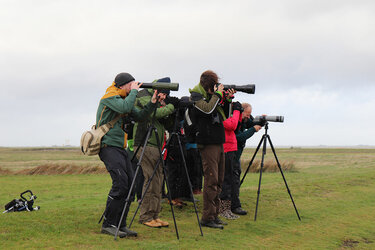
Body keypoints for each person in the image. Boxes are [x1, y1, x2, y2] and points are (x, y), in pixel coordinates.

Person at [97, 72, 158, 238]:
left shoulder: (123, 99)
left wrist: (152, 103)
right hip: (108, 146)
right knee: (120, 184)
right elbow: (124, 108)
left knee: (130, 186)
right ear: (123, 85)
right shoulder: (109, 97)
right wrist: (134, 93)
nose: (133, 88)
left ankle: (120, 224)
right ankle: (108, 224)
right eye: (130, 85)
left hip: (120, 147)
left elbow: (139, 116)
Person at [133, 77, 177, 228]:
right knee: (150, 181)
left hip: (156, 144)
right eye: (163, 94)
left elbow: (165, 120)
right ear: (157, 90)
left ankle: (154, 215)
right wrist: (170, 107)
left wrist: (171, 109)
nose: (164, 97)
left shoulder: (157, 98)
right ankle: (145, 216)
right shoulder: (143, 95)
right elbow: (154, 113)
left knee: (158, 181)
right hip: (145, 143)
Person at [189, 70, 226, 229]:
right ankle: (207, 217)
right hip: (208, 144)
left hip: (218, 142)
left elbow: (226, 116)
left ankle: (215, 214)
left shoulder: (212, 97)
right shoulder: (196, 96)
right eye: (213, 86)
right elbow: (207, 109)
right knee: (211, 180)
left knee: (218, 181)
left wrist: (226, 99)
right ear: (208, 85)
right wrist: (217, 95)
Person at [231, 103, 262, 215]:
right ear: (241, 111)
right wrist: (253, 129)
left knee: (235, 178)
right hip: (231, 154)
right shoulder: (235, 120)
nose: (248, 117)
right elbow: (239, 137)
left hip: (236, 155)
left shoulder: (244, 119)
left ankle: (232, 203)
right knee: (233, 180)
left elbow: (252, 123)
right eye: (247, 115)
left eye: (250, 115)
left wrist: (262, 120)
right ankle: (234, 206)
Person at [219, 100, 243, 220]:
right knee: (226, 180)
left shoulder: (226, 112)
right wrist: (237, 110)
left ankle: (227, 209)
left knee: (229, 179)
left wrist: (237, 112)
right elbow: (231, 125)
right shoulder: (219, 111)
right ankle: (224, 210)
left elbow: (236, 124)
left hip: (230, 147)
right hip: (226, 148)